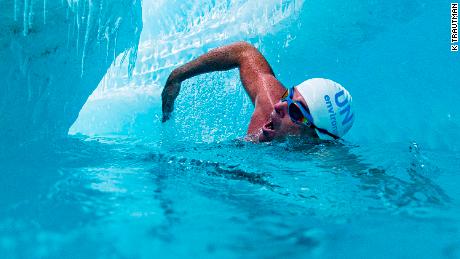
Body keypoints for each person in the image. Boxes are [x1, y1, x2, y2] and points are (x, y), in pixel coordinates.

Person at [161, 41, 354, 142]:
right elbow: (244, 52)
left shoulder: (316, 163)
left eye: (295, 111)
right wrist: (177, 76)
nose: (279, 106)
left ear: (314, 137)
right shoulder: (271, 105)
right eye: (288, 96)